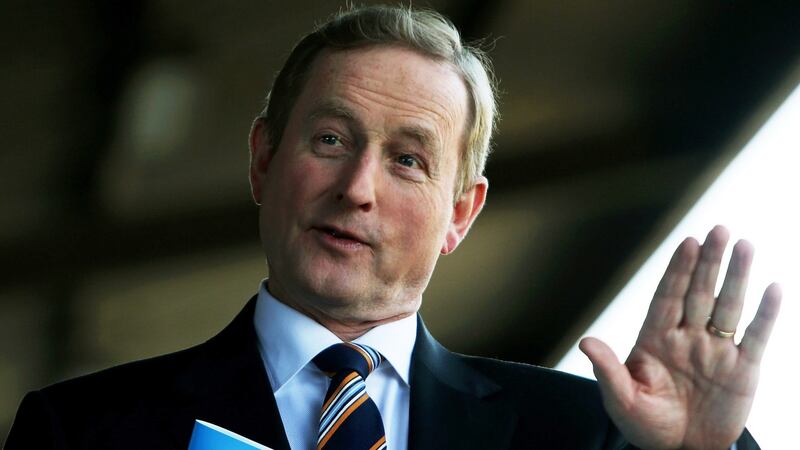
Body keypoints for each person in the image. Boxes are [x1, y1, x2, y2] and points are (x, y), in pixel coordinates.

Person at [5, 5, 781, 450]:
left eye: (409, 160)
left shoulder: (586, 436)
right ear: (263, 161)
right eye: (331, 140)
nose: (357, 190)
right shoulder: (81, 434)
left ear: (460, 214)